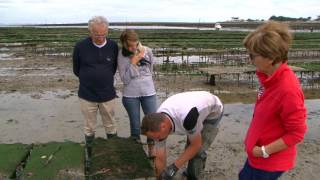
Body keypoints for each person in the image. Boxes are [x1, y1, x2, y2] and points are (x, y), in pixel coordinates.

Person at [239, 21, 307, 180]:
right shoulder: (269, 78)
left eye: (252, 55)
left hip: (268, 161)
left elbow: (297, 133)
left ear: (270, 58)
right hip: (257, 157)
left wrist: (264, 150)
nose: (250, 59)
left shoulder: (287, 89)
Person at [141, 91, 224, 180]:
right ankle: (190, 170)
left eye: (157, 137)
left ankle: (194, 176)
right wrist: (160, 177)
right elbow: (160, 156)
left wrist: (174, 167)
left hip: (212, 112)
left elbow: (196, 145)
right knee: (190, 145)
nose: (157, 140)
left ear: (163, 126)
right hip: (191, 109)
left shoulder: (187, 119)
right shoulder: (157, 120)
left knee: (197, 151)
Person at [72, 16, 118, 148]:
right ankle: (90, 152)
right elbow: (76, 69)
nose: (100, 37)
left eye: (104, 34)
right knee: (89, 126)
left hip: (108, 95)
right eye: (97, 34)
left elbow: (113, 68)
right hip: (87, 95)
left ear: (107, 31)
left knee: (110, 124)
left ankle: (112, 151)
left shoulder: (113, 46)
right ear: (90, 31)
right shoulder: (80, 46)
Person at [117, 29, 157, 154]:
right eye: (129, 45)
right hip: (130, 95)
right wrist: (133, 63)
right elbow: (125, 80)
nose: (133, 48)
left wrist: (144, 80)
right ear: (123, 43)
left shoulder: (148, 51)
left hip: (149, 93)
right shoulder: (121, 55)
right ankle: (137, 153)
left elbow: (150, 71)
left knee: (152, 123)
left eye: (135, 44)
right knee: (135, 126)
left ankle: (152, 150)